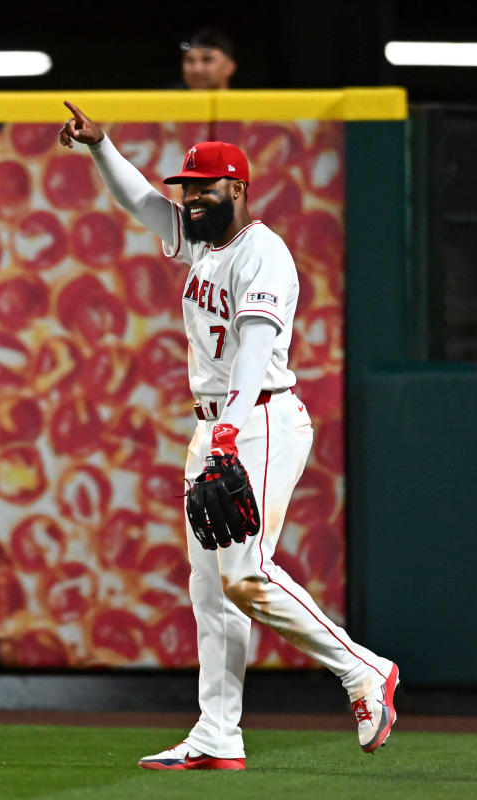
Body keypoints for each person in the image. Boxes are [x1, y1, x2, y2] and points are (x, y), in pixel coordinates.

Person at [58, 102, 399, 770]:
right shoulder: (203, 244)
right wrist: (101, 147)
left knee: (245, 577)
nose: (188, 201)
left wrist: (229, 433)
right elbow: (144, 205)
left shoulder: (262, 254)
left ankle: (363, 669)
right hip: (216, 425)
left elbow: (255, 351)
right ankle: (218, 732)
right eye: (187, 189)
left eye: (203, 190)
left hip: (260, 418)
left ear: (237, 190)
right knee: (210, 593)